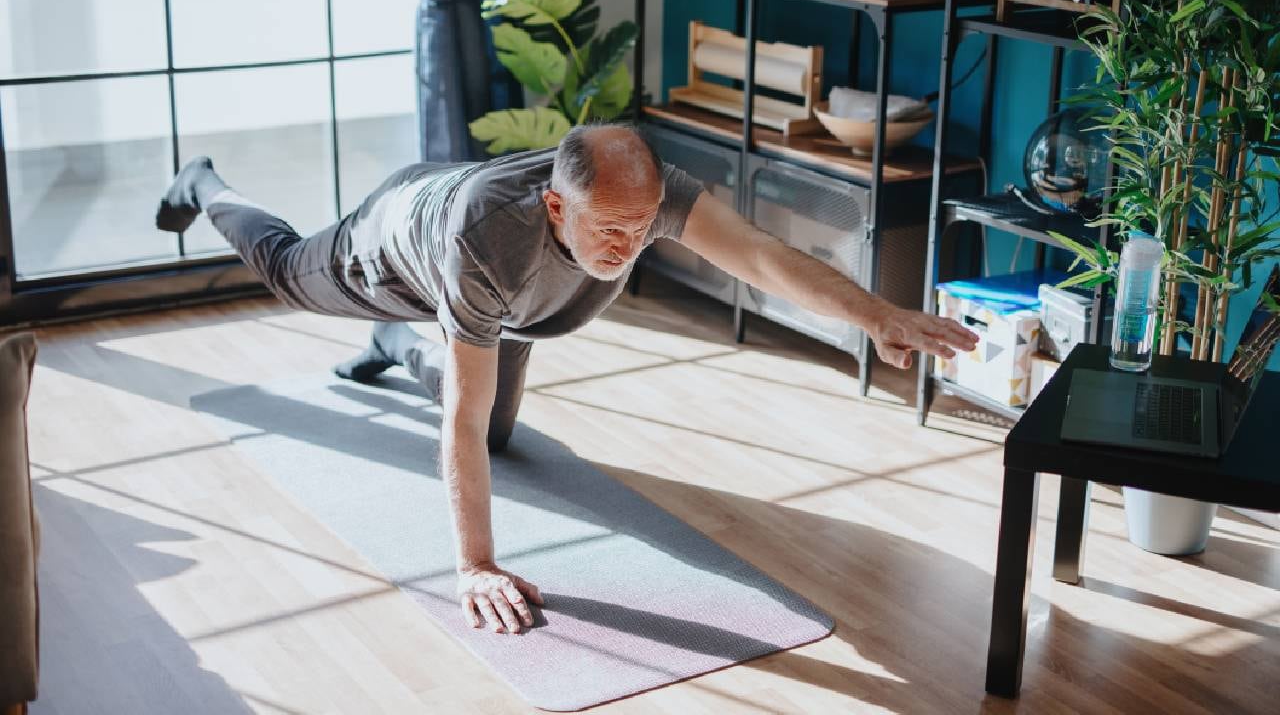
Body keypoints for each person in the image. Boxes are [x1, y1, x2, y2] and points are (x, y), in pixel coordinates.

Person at [155, 123, 977, 637]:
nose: (628, 246)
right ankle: (208, 186)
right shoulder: (487, 240)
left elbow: (763, 256)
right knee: (286, 272)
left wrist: (878, 316)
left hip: (506, 301)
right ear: (555, 208)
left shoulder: (645, 196)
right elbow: (461, 427)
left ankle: (396, 348)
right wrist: (475, 564)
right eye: (609, 230)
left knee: (506, 439)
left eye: (642, 227)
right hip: (394, 245)